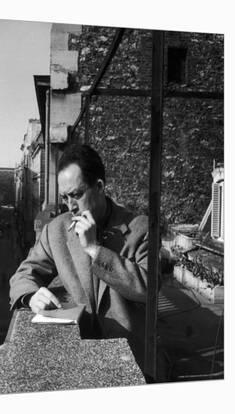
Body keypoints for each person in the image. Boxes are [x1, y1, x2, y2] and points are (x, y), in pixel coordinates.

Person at [9, 144, 152, 372]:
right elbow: (24, 274)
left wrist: (95, 249)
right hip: (79, 359)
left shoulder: (140, 227)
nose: (70, 206)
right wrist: (30, 297)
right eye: (65, 197)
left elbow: (149, 289)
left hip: (131, 361)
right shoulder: (56, 229)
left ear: (99, 186)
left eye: (76, 195)